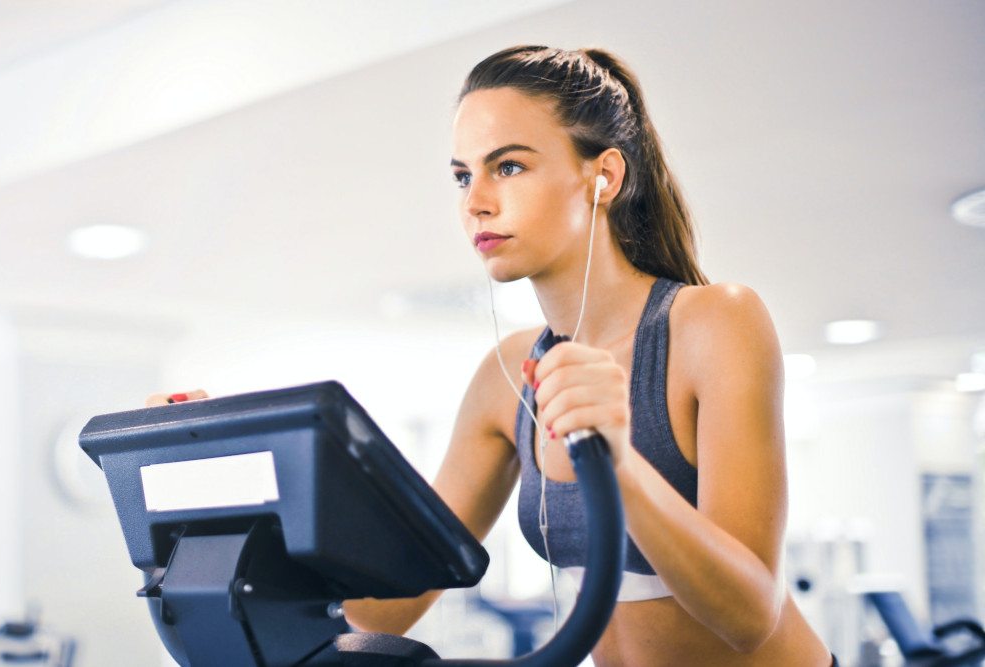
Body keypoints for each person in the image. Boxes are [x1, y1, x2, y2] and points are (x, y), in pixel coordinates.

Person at [149, 45, 834, 666]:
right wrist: (215, 494)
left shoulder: (713, 322)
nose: (475, 202)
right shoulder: (506, 378)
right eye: (462, 176)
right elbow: (386, 608)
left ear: (603, 176)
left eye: (508, 166)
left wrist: (619, 462)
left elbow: (750, 616)